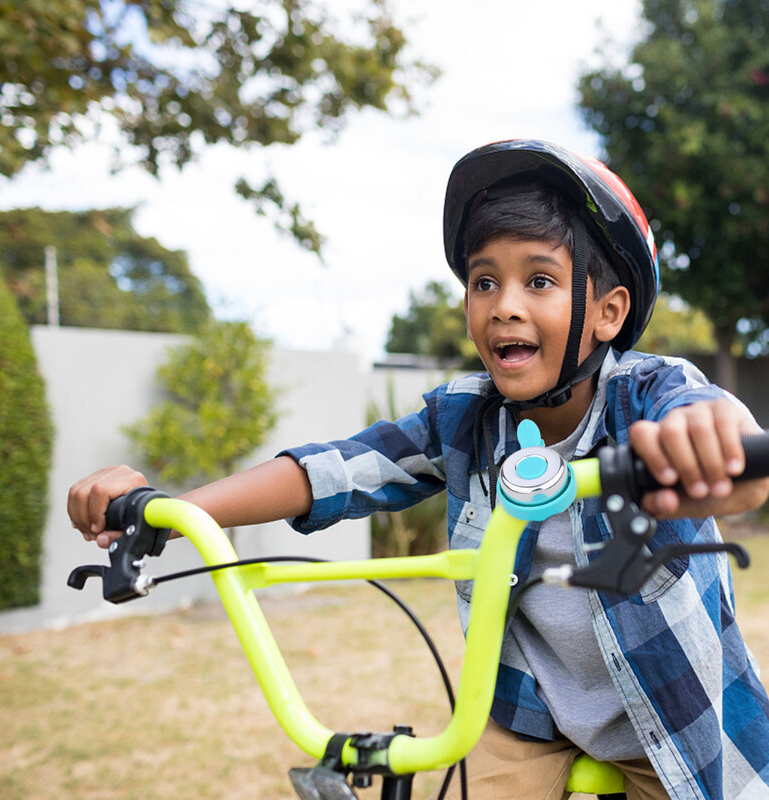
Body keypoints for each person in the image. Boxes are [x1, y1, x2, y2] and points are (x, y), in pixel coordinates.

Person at [68, 139, 769, 800]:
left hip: (678, 725)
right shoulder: (462, 417)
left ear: (608, 312)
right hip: (528, 718)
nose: (505, 305)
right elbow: (337, 470)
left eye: (540, 279)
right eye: (483, 280)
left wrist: (708, 445)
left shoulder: (649, 397)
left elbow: (725, 441)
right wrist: (171, 506)